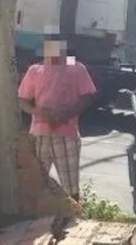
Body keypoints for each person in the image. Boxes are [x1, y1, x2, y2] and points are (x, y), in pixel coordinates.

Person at [17, 37, 97, 203]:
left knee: (71, 186)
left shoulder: (76, 68)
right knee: (37, 182)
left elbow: (88, 96)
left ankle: (74, 217)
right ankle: (38, 217)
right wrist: (36, 111)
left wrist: (68, 113)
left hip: (67, 134)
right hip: (40, 135)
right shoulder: (35, 70)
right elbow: (22, 100)